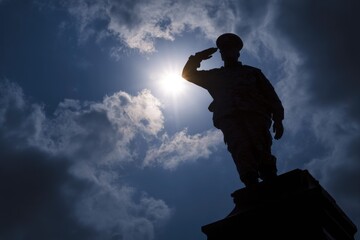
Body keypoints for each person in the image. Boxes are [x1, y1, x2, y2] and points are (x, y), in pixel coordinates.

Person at [182, 33, 284, 187]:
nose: (226, 53)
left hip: (255, 114)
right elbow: (188, 75)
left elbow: (271, 95)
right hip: (229, 117)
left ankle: (271, 182)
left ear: (237, 52)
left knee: (261, 148)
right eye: (223, 51)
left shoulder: (252, 72)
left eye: (230, 49)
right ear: (221, 55)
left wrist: (278, 118)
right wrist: (197, 58)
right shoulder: (215, 76)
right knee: (240, 150)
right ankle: (251, 186)